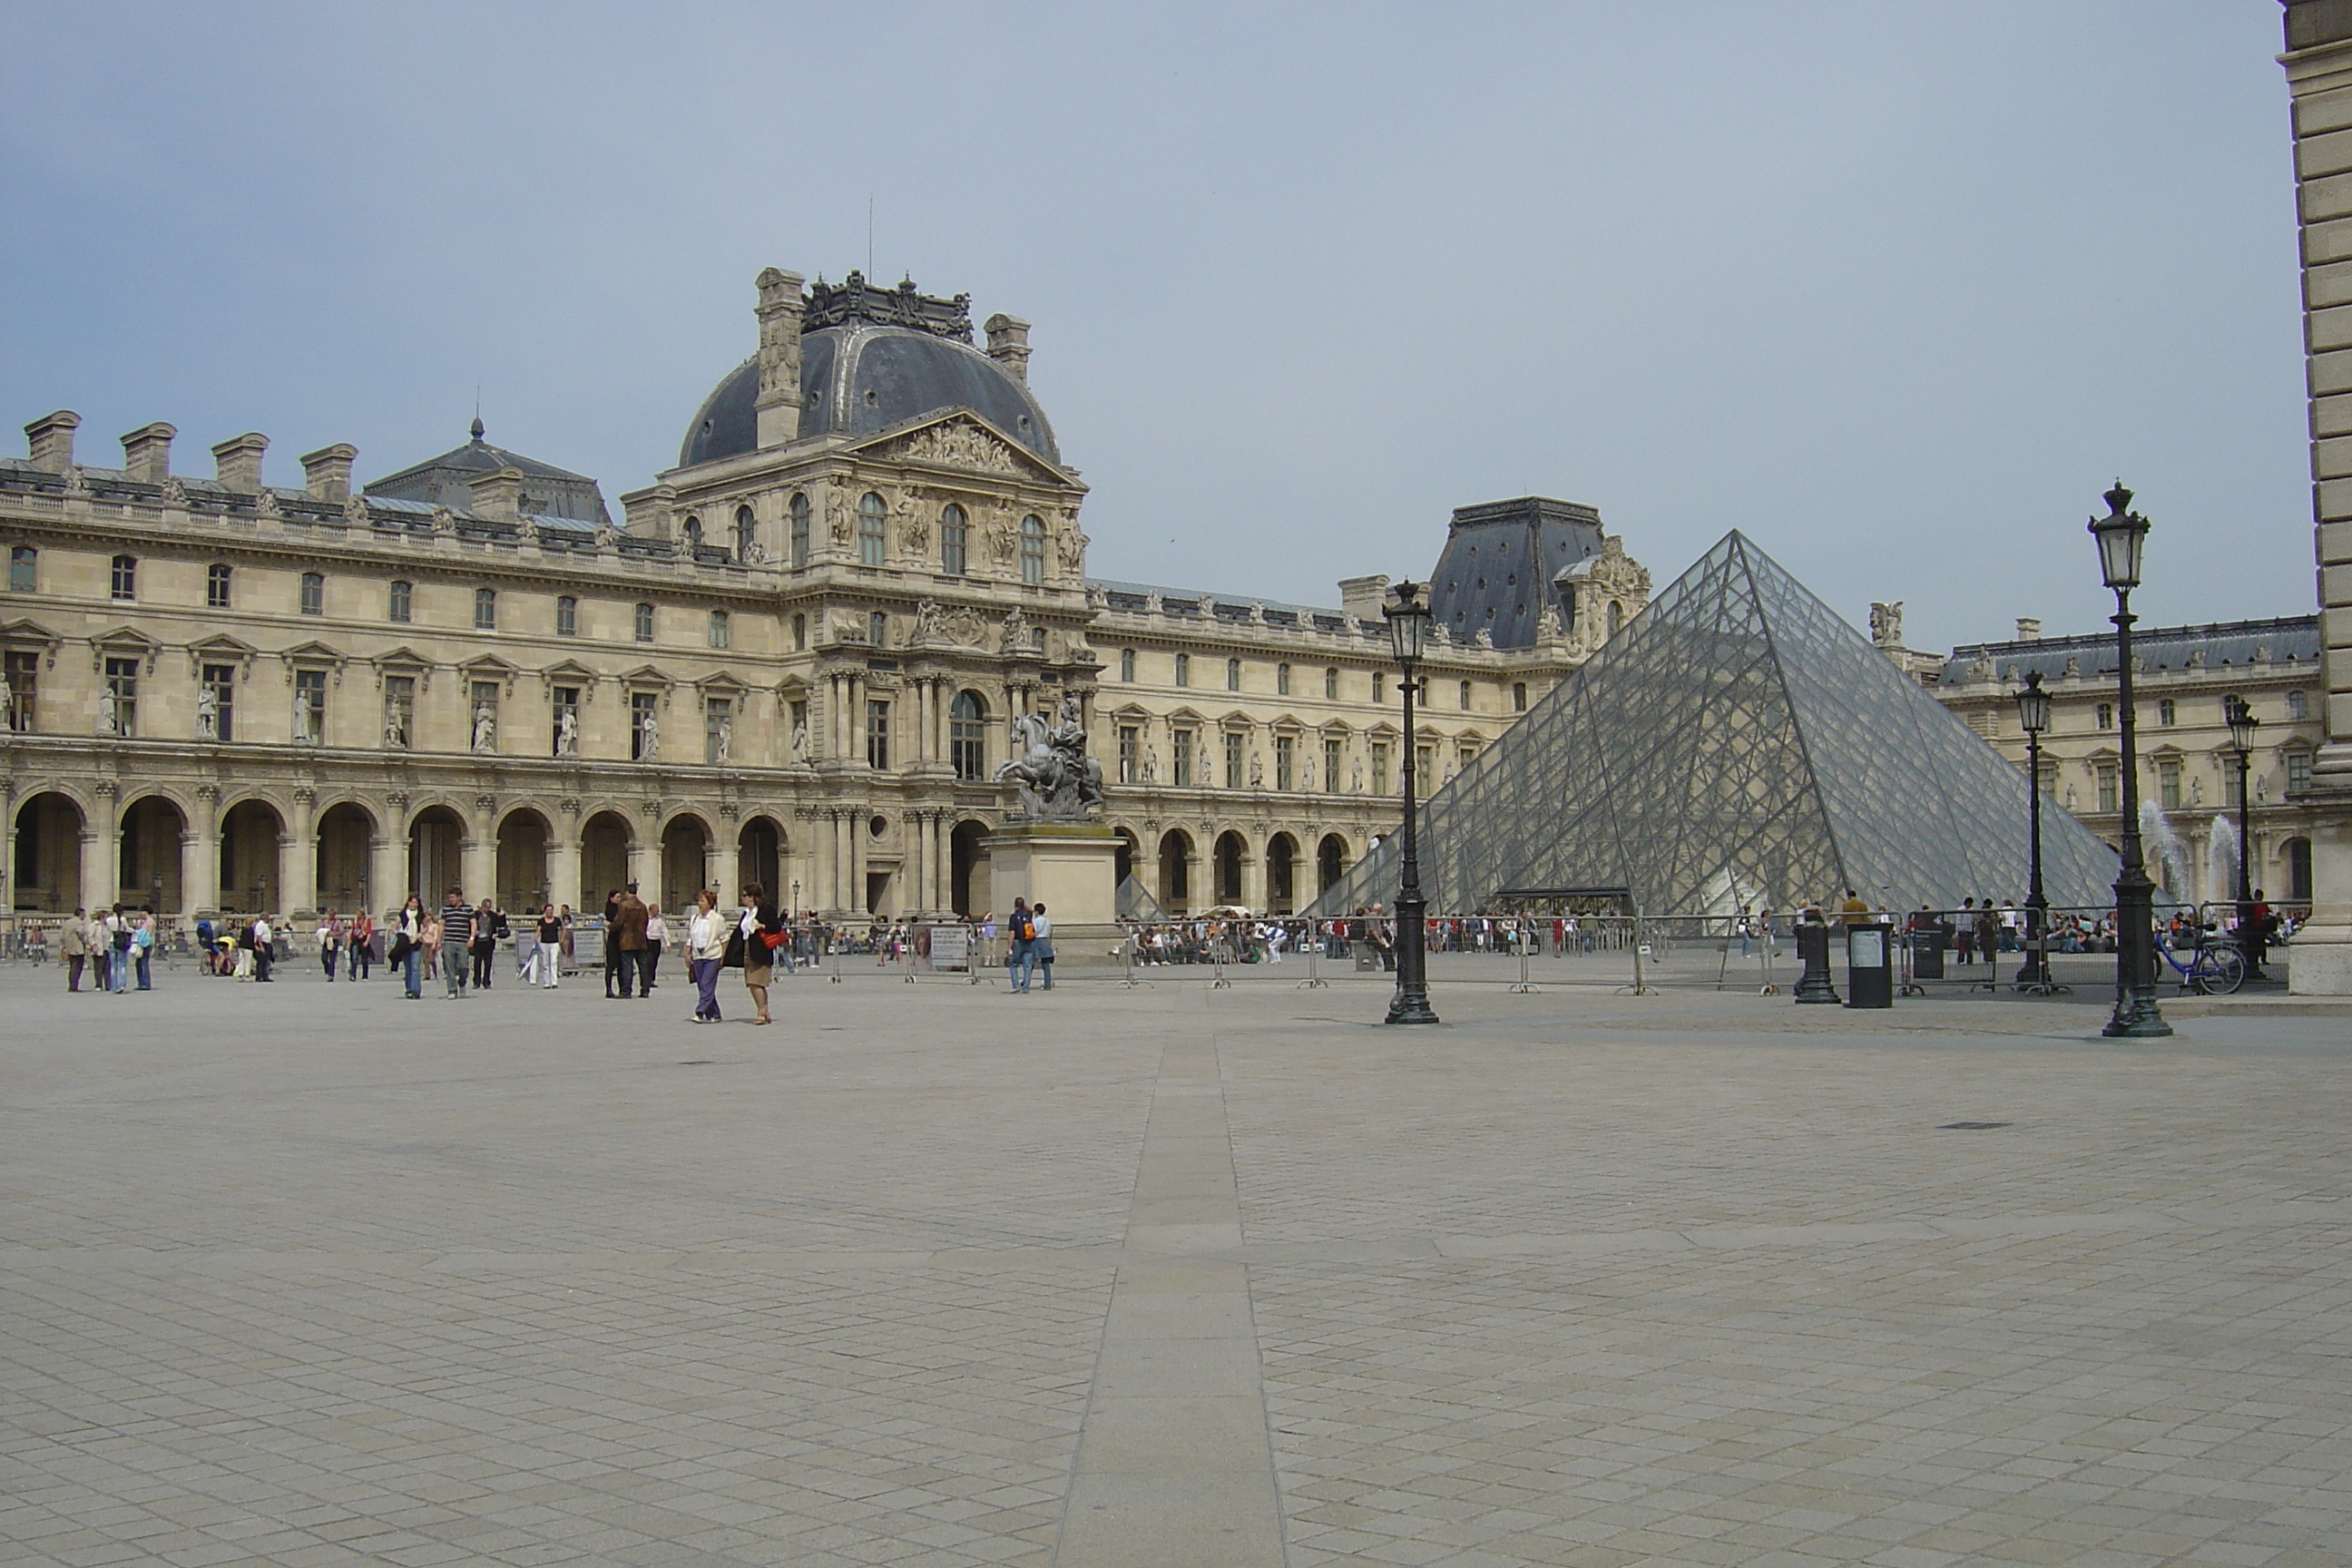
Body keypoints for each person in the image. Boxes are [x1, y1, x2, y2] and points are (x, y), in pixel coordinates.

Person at [738, 881, 779, 1024]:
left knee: (756, 982)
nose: (742, 898)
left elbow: (776, 927)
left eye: (744, 895)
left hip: (761, 950)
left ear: (752, 897)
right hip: (748, 948)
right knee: (753, 983)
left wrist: (762, 926)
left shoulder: (766, 910)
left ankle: (761, 1012)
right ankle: (764, 1010)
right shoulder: (746, 913)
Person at [686, 889, 726, 1023]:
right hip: (698, 956)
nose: (699, 903)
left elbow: (724, 939)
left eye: (702, 901)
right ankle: (715, 1014)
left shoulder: (718, 919)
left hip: (713, 956)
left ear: (710, 903)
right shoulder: (694, 919)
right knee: (703, 986)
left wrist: (723, 957)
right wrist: (687, 953)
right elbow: (690, 938)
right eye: (699, 900)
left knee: (706, 983)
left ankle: (700, 1011)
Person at [438, 889, 474, 998]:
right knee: (449, 967)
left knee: (463, 966)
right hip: (449, 941)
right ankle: (452, 990)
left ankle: (462, 982)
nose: (450, 900)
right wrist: (438, 940)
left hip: (462, 941)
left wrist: (472, 938)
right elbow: (442, 925)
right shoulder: (446, 909)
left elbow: (473, 924)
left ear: (459, 898)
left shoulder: (468, 909)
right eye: (449, 897)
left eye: (453, 897)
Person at [391, 896, 425, 998]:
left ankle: (416, 990)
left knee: (415, 967)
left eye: (416, 903)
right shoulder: (402, 914)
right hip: (405, 943)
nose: (414, 904)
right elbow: (393, 928)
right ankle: (409, 989)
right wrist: (400, 935)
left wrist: (420, 934)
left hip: (416, 943)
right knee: (408, 967)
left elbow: (425, 926)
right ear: (408, 903)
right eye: (412, 902)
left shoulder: (420, 915)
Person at [1005, 897, 1036, 993]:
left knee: (1013, 964)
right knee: (1027, 966)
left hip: (1018, 941)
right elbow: (1031, 910)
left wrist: (1009, 946)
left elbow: (1012, 932)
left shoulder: (1014, 916)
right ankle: (1026, 987)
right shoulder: (1028, 914)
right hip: (1029, 941)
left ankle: (1016, 985)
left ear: (1015, 905)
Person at [470, 897, 499, 990]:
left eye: (489, 907)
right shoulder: (475, 915)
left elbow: (501, 924)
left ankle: (486, 982)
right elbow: (469, 925)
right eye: (486, 907)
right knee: (477, 963)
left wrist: (502, 916)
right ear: (482, 907)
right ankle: (476, 982)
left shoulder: (493, 915)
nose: (487, 909)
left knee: (488, 963)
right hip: (478, 942)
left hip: (489, 941)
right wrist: (474, 933)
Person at [532, 905, 562, 988]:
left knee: (553, 962)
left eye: (551, 910)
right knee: (545, 963)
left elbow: (563, 929)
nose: (550, 912)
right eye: (548, 910)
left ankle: (554, 982)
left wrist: (562, 939)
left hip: (554, 943)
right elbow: (538, 930)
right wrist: (535, 937)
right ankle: (547, 982)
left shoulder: (557, 920)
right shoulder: (541, 921)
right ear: (545, 911)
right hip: (544, 943)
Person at [62, 906, 90, 992]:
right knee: (77, 967)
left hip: (69, 947)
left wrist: (64, 945)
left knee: (72, 967)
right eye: (84, 914)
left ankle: (71, 984)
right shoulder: (78, 923)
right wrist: (85, 940)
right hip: (78, 947)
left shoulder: (67, 922)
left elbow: (61, 935)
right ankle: (74, 986)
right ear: (80, 914)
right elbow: (80, 932)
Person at [1032, 902, 1056, 990]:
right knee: (1046, 964)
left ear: (1037, 912)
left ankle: (1025, 982)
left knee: (1031, 963)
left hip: (1037, 941)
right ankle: (1047, 983)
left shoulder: (1035, 921)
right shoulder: (1047, 921)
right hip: (1045, 940)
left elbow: (1033, 931)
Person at [642, 904, 667, 992]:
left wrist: (667, 943)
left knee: (655, 961)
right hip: (648, 941)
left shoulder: (659, 920)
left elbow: (664, 931)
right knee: (649, 961)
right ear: (651, 910)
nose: (658, 911)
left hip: (656, 942)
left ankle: (652, 979)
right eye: (656, 909)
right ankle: (647, 979)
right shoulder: (645, 919)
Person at [132, 908, 156, 990]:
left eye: (141, 912)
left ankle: (146, 983)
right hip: (140, 943)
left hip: (146, 943)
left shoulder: (150, 921)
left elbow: (148, 933)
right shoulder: (143, 921)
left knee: (144, 963)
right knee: (138, 964)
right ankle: (141, 983)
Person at [316, 911, 343, 981]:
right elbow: (319, 930)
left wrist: (334, 934)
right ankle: (327, 969)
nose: (331, 916)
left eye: (332, 914)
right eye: (329, 914)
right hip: (326, 941)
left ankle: (331, 976)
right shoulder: (324, 922)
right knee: (324, 958)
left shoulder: (338, 923)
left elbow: (341, 931)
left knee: (332, 959)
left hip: (334, 941)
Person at [349, 907, 375, 980]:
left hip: (363, 939)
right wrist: (350, 940)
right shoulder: (355, 921)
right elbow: (352, 931)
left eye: (358, 913)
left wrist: (367, 941)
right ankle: (353, 975)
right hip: (356, 940)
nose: (357, 915)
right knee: (354, 958)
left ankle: (365, 975)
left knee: (364, 959)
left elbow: (369, 932)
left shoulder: (367, 921)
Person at [251, 913, 274, 982]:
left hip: (267, 944)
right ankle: (259, 976)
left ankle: (265, 976)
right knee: (261, 961)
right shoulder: (260, 925)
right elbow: (259, 936)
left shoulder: (264, 925)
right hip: (263, 944)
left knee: (265, 961)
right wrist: (261, 946)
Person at [1954, 897, 1977, 965]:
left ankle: (1969, 961)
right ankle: (1961, 960)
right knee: (1962, 946)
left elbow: (1973, 920)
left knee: (1969, 946)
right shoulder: (1960, 910)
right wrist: (1960, 929)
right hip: (1963, 930)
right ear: (1968, 903)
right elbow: (1959, 920)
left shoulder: (1971, 910)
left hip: (1969, 930)